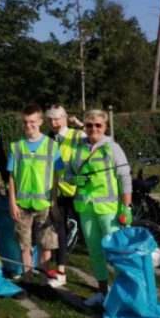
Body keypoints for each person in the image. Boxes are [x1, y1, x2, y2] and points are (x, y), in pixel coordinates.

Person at [66, 109, 132, 307]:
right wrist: (73, 179)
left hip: (109, 210)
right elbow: (67, 174)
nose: (93, 128)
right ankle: (102, 292)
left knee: (116, 251)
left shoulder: (113, 148)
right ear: (84, 126)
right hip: (86, 208)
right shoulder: (78, 148)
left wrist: (126, 206)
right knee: (95, 251)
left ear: (105, 127)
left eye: (98, 125)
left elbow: (124, 177)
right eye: (89, 125)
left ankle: (123, 294)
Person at [7, 104, 62, 289]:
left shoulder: (52, 146)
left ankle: (44, 282)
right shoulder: (16, 147)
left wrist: (54, 204)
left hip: (44, 204)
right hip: (22, 205)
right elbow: (11, 178)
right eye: (25, 122)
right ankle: (28, 280)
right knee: (24, 245)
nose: (28, 125)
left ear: (40, 122)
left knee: (46, 245)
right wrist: (12, 203)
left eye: (32, 122)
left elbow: (56, 177)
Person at [44, 104, 85, 288]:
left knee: (90, 233)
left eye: (57, 118)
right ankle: (61, 271)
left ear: (65, 117)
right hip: (59, 192)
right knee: (59, 231)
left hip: (80, 191)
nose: (54, 122)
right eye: (50, 119)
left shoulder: (77, 135)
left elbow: (98, 138)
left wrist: (81, 124)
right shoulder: (49, 140)